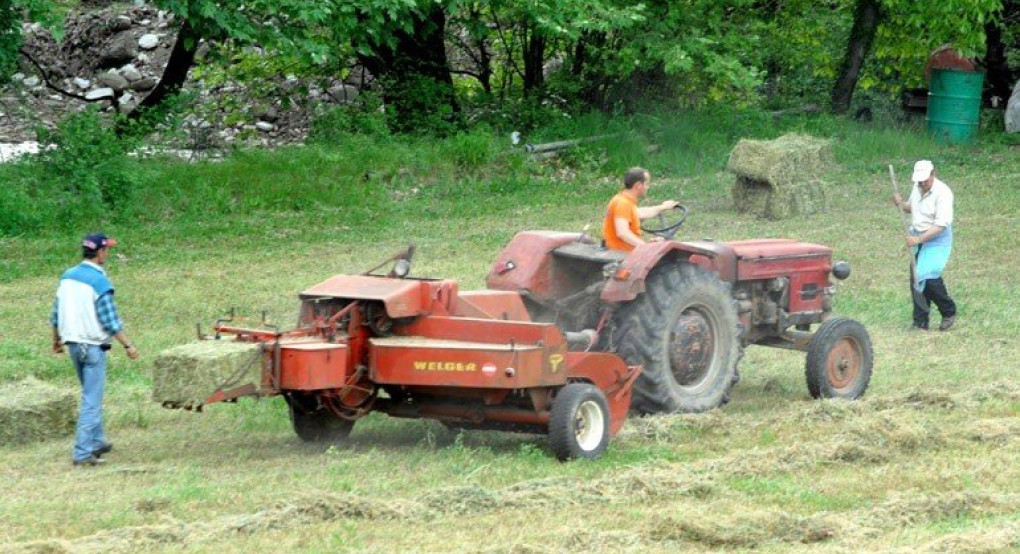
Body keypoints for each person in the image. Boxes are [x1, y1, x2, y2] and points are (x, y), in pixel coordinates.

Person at [51, 233, 140, 466]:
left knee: (90, 394)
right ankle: (82, 453)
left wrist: (56, 340)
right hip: (92, 347)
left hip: (72, 344)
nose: (107, 254)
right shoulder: (100, 282)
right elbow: (110, 320)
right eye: (106, 250)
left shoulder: (67, 277)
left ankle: (97, 441)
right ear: (100, 252)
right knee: (91, 400)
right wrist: (128, 345)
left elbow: (56, 313)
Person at [892, 160, 957, 331]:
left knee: (927, 276)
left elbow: (941, 225)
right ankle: (920, 322)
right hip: (918, 237)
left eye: (925, 181)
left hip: (937, 239)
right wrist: (901, 204)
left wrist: (919, 239)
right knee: (916, 279)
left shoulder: (943, 193)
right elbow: (911, 208)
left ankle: (949, 311)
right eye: (919, 181)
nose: (922, 184)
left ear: (933, 174)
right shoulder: (917, 187)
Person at [603, 167, 680, 251]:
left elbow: (641, 213)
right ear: (638, 185)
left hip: (624, 250)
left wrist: (663, 207)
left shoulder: (622, 199)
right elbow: (623, 233)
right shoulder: (623, 203)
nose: (648, 187)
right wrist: (646, 247)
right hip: (622, 253)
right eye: (647, 184)